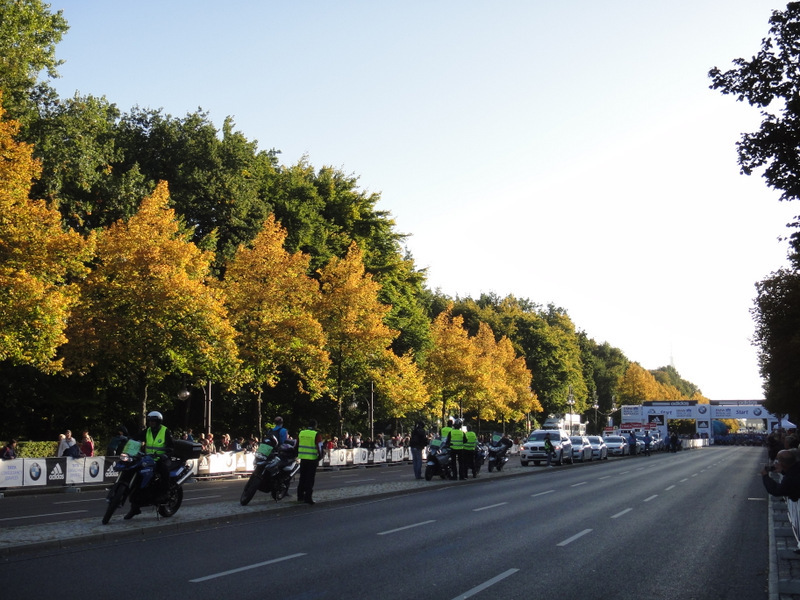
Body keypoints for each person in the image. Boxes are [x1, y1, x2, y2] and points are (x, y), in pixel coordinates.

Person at [126, 411, 174, 519]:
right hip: (148, 459)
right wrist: (129, 440)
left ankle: (165, 494)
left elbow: (171, 446)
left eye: (153, 421)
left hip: (161, 459)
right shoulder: (147, 431)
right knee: (137, 478)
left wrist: (166, 454)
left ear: (158, 421)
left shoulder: (165, 431)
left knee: (164, 472)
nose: (151, 423)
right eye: (150, 421)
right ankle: (135, 508)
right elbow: (137, 437)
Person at [762, 449, 800, 554]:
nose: (776, 463)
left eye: (778, 461)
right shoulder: (795, 468)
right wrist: (783, 471)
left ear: (783, 463)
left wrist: (765, 477)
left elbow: (778, 490)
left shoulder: (790, 477)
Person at [296, 419, 323, 505]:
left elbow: (296, 445)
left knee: (302, 478)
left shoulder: (301, 433)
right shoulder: (316, 434)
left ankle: (300, 496)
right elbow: (320, 447)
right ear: (315, 426)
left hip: (303, 458)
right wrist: (320, 457)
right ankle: (308, 498)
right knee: (310, 479)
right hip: (312, 459)